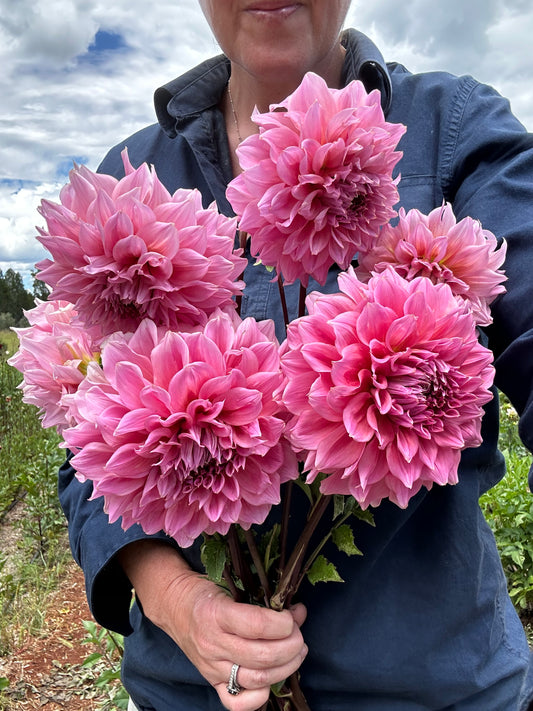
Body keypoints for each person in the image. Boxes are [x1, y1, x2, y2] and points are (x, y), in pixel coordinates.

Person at [58, 1, 533, 709]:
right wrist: (177, 595)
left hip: (432, 691)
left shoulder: (453, 129)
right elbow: (85, 449)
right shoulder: (133, 181)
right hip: (191, 692)